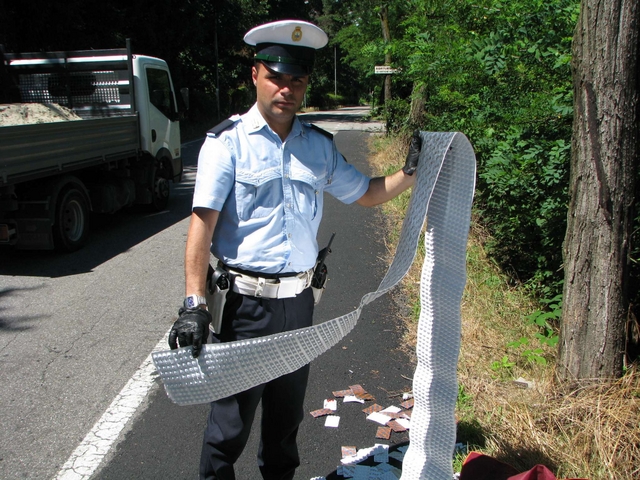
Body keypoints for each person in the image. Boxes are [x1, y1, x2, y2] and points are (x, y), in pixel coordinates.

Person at [168, 19, 422, 480]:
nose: (286, 89)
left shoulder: (317, 147)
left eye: (297, 80)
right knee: (229, 427)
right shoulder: (227, 144)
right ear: (255, 76)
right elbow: (200, 227)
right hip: (243, 307)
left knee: (285, 424)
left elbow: (365, 192)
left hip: (299, 304)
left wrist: (409, 172)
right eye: (276, 76)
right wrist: (193, 303)